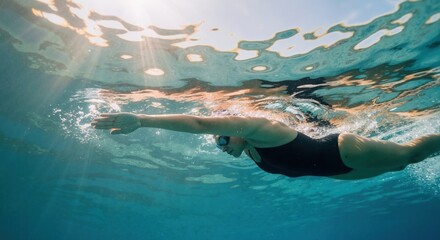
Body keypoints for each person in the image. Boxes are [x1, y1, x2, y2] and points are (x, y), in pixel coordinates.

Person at [91, 112, 440, 180]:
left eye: (224, 137)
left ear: (237, 128)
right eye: (218, 144)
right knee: (399, 166)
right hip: (339, 171)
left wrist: (142, 119)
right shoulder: (251, 151)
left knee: (409, 154)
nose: (222, 145)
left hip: (343, 151)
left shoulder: (265, 129)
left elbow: (199, 124)